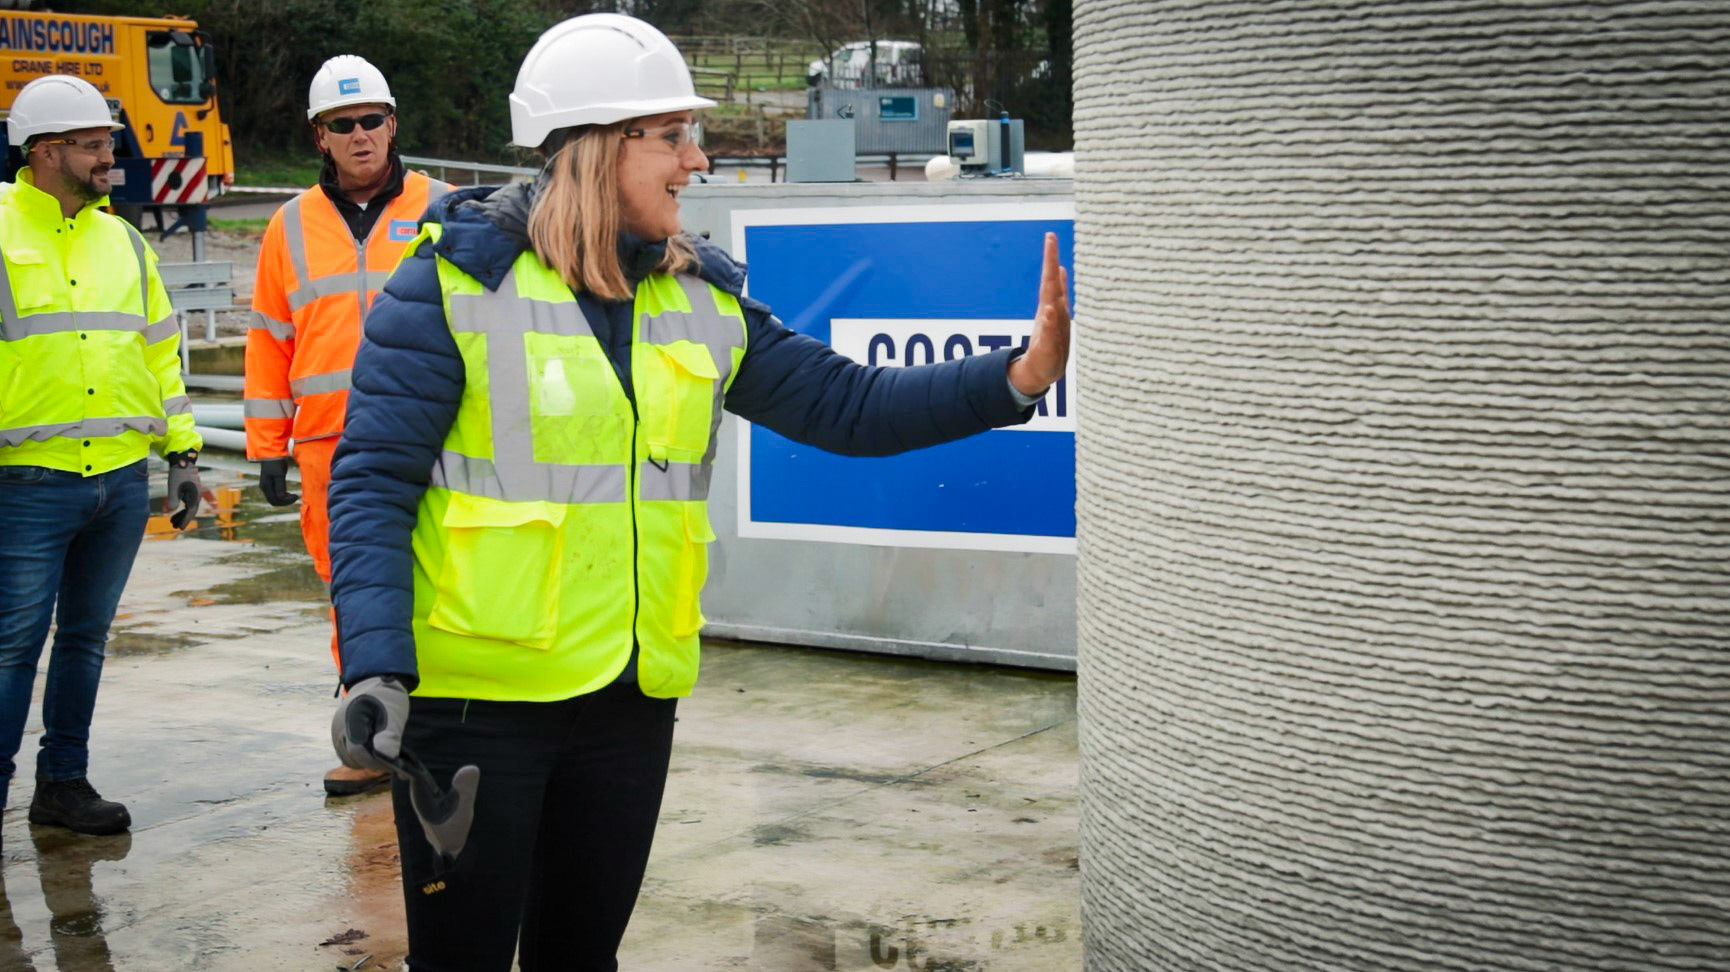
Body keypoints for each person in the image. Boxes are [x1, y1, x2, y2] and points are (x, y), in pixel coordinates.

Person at [324, 14, 1070, 971]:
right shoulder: (448, 289)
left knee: (580, 959)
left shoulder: (701, 301)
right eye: (673, 135)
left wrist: (1017, 376)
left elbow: (851, 406)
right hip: (474, 711)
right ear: (600, 147)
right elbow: (372, 486)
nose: (697, 159)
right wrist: (375, 666)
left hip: (630, 704)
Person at [0, 74, 202, 841]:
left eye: (106, 143)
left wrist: (183, 454)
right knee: (12, 648)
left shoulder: (123, 241)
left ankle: (63, 783)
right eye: (92, 145)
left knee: (84, 639)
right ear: (46, 151)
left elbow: (159, 353)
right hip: (26, 482)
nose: (108, 157)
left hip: (118, 480)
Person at [243, 55, 449, 796]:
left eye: (371, 120)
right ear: (319, 136)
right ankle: (370, 738)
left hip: (436, 435)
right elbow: (270, 340)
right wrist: (267, 445)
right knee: (352, 589)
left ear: (392, 125)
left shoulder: (445, 207)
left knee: (447, 578)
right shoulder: (289, 227)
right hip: (330, 444)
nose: (360, 135)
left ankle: (448, 726)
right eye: (343, 124)